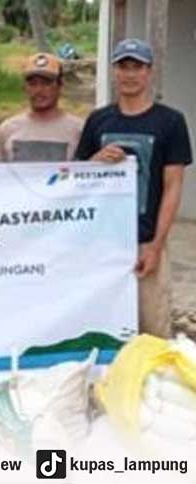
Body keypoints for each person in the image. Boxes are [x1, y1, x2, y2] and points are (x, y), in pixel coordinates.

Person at [75, 38, 192, 338]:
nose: (129, 74)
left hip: (146, 240)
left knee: (152, 328)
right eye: (123, 66)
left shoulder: (171, 122)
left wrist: (155, 246)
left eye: (137, 67)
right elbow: (77, 176)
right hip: (103, 242)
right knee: (102, 328)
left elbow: (173, 187)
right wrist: (95, 160)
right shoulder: (98, 120)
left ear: (149, 72)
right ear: (114, 71)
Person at [0, 53, 84, 162]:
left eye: (46, 84)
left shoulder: (79, 130)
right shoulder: (7, 129)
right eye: (33, 84)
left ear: (60, 86)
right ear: (25, 88)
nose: (39, 90)